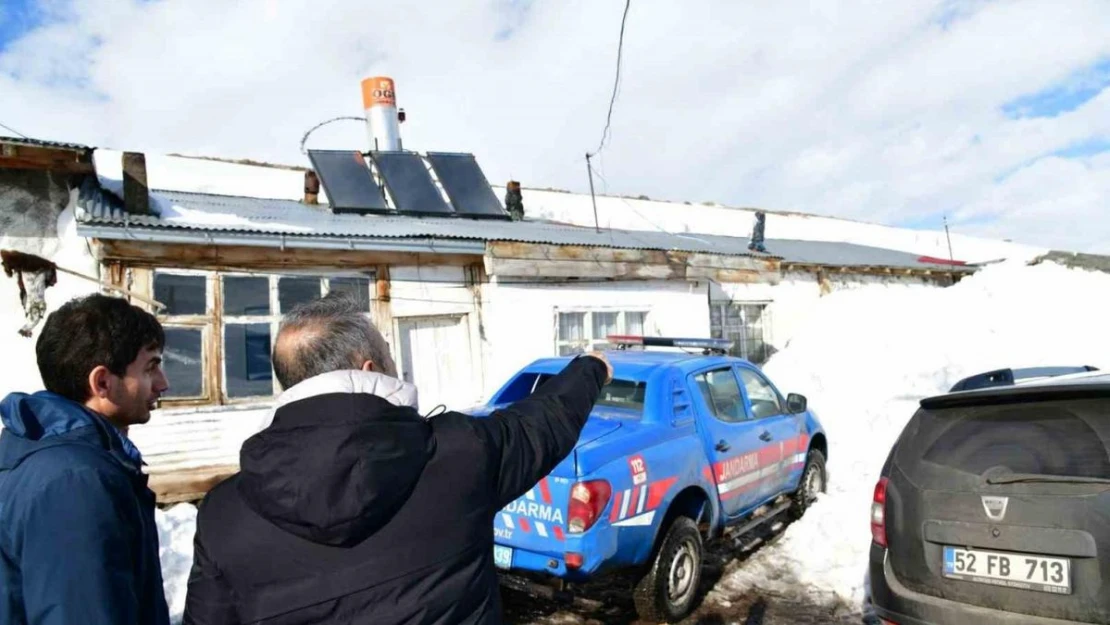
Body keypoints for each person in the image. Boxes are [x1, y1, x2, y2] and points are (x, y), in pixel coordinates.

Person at [184, 292, 612, 625]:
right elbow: (542, 422)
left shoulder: (225, 513)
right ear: (370, 369)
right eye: (391, 356)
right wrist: (591, 367)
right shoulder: (458, 454)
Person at [0, 293, 171, 625]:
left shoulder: (53, 457)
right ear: (102, 382)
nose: (163, 384)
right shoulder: (74, 481)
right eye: (151, 367)